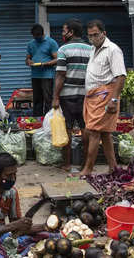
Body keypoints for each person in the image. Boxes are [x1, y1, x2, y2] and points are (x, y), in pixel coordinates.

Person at [77, 20, 126, 177]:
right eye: (90, 36)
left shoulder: (113, 50)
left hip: (105, 96)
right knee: (104, 133)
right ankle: (113, 168)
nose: (93, 38)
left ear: (104, 33)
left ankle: (88, 169)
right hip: (94, 96)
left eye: (96, 35)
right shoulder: (93, 49)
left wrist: (114, 99)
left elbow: (120, 76)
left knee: (93, 132)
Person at [51, 19, 91, 172]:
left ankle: (67, 163)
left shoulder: (64, 49)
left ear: (71, 32)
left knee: (66, 128)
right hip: (86, 95)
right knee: (85, 128)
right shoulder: (91, 49)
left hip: (67, 95)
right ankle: (85, 164)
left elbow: (61, 74)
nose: (62, 33)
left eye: (63, 30)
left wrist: (55, 97)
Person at [25, 24, 58, 117]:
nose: (36, 38)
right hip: (35, 75)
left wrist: (47, 64)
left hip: (47, 76)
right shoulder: (31, 44)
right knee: (37, 100)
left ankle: (48, 120)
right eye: (34, 36)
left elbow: (57, 59)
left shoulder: (51, 42)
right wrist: (29, 61)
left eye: (38, 36)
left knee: (48, 99)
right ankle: (37, 120)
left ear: (42, 34)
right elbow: (27, 59)